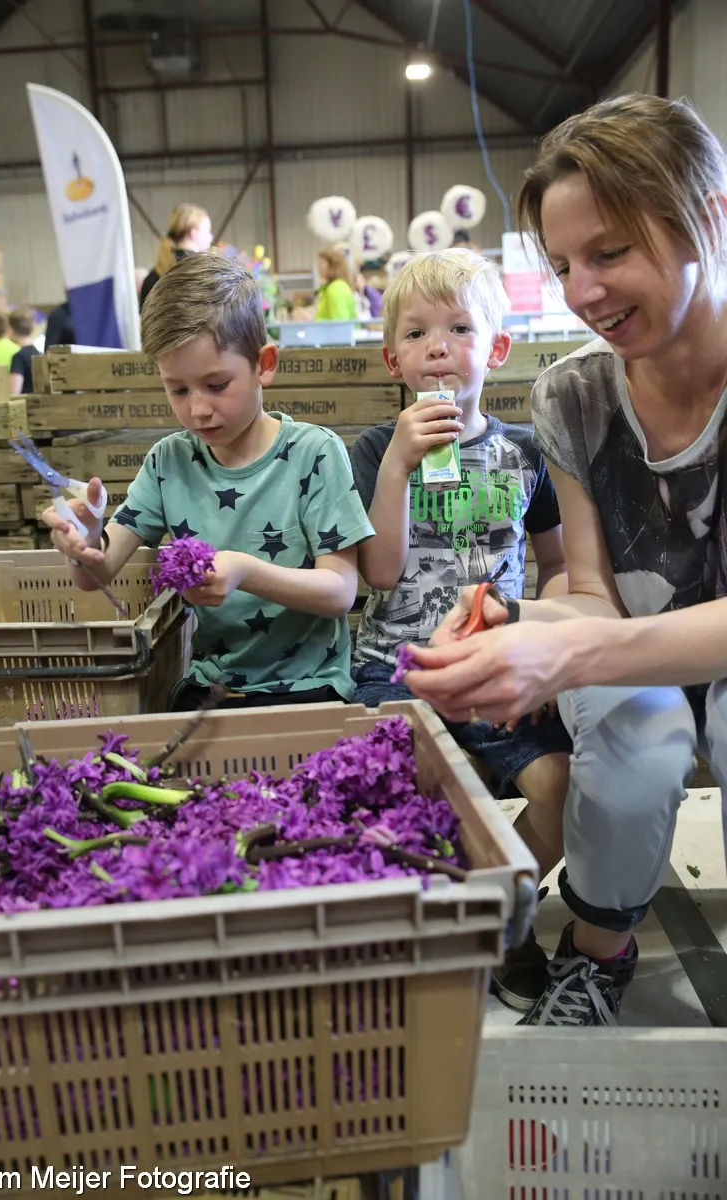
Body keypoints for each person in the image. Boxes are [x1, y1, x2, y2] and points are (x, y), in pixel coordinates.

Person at [403, 92, 727, 1027]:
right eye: (562, 265)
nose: (583, 292)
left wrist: (578, 648)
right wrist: (520, 622)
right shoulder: (573, 398)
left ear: (708, 217)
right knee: (639, 737)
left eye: (610, 252)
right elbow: (590, 594)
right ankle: (596, 950)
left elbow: (604, 639)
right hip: (632, 651)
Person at [349, 248, 571, 1011]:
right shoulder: (374, 451)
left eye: (459, 328)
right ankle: (425, 920)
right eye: (416, 333)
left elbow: (559, 567)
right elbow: (379, 574)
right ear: (394, 360)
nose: (438, 347)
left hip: (496, 666)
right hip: (396, 664)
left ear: (497, 348)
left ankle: (498, 911)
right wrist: (398, 465)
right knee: (400, 793)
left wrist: (545, 647)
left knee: (560, 787)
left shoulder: (527, 452)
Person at [42, 250, 374, 710]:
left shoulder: (314, 454)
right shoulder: (168, 463)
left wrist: (245, 571)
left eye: (217, 385)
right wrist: (84, 541)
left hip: (309, 687)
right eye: (177, 389)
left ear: (265, 364)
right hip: (209, 688)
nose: (197, 409)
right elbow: (95, 574)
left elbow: (340, 590)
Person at [140, 204, 212, 310]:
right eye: (208, 231)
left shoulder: (152, 277)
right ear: (193, 233)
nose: (211, 237)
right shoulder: (202, 271)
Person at [315, 248, 358, 321]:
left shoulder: (336, 288)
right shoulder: (332, 286)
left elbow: (340, 320)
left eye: (321, 263)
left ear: (332, 265)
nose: (319, 267)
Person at [8, 308, 39, 394]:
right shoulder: (38, 354)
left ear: (10, 329)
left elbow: (14, 392)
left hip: (26, 402)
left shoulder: (19, 357)